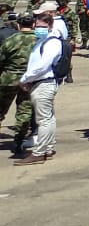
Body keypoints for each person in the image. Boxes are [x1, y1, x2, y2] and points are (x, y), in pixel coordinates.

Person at [16, 12, 64, 165]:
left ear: (50, 26)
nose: (38, 29)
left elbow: (42, 66)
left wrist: (25, 78)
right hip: (40, 82)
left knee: (43, 120)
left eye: (42, 26)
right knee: (48, 118)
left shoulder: (52, 42)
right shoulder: (43, 41)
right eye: (37, 26)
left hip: (44, 83)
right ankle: (47, 148)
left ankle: (39, 152)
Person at [0, 12, 37, 158]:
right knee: (24, 112)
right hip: (29, 81)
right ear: (33, 24)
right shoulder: (39, 41)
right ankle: (19, 141)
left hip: (8, 80)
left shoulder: (10, 40)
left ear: (18, 25)